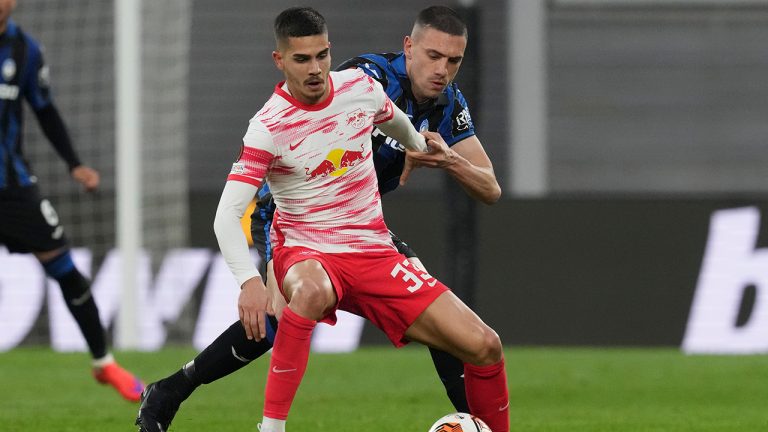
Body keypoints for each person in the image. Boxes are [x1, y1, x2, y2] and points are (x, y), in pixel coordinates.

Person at [136, 5, 502, 431]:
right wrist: (267, 265)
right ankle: (176, 391)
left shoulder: (448, 103)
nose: (442, 69)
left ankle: (479, 424)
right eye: (433, 56)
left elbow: (489, 187)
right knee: (274, 317)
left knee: (442, 326)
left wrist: (444, 158)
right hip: (288, 218)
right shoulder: (366, 78)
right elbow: (309, 129)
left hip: (359, 230)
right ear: (409, 47)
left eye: (453, 61)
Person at [0, 0, 144, 402]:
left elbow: (45, 111)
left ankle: (104, 362)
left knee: (65, 270)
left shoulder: (26, 51)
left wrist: (75, 163)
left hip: (12, 188)